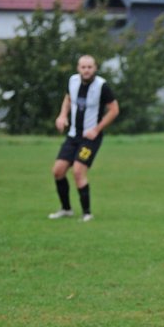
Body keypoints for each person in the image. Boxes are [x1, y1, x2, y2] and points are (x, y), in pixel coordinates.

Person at [48, 55, 119, 222]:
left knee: (78, 171)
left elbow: (114, 110)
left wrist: (97, 129)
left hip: (90, 138)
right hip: (73, 135)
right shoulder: (73, 81)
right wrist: (62, 115)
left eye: (89, 67)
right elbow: (68, 98)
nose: (86, 70)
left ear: (95, 68)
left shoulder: (102, 86)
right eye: (83, 67)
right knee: (58, 171)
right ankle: (66, 209)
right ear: (78, 68)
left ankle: (87, 213)